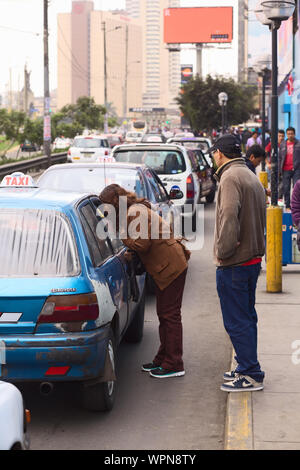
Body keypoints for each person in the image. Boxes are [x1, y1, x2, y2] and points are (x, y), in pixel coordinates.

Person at [99, 184, 190, 379]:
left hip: (170, 266)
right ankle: (163, 358)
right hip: (166, 265)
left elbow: (142, 243)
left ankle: (174, 363)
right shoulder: (133, 210)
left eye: (106, 207)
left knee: (169, 316)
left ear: (114, 203)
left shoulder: (133, 213)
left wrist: (122, 237)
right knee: (164, 314)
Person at [209, 134, 266, 392]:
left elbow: (229, 216)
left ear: (219, 153)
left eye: (213, 153)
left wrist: (223, 250)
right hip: (251, 259)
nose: (212, 158)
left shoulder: (230, 177)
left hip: (235, 262)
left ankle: (250, 372)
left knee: (237, 320)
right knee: (246, 316)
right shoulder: (249, 175)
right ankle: (247, 365)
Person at [279, 127, 300, 211]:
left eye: (292, 133)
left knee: (296, 188)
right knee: (286, 188)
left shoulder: (298, 143)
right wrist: (279, 170)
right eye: (288, 134)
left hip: (296, 169)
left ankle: (296, 206)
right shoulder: (283, 144)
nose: (290, 135)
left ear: (294, 134)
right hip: (285, 169)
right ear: (286, 135)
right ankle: (287, 205)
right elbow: (280, 158)